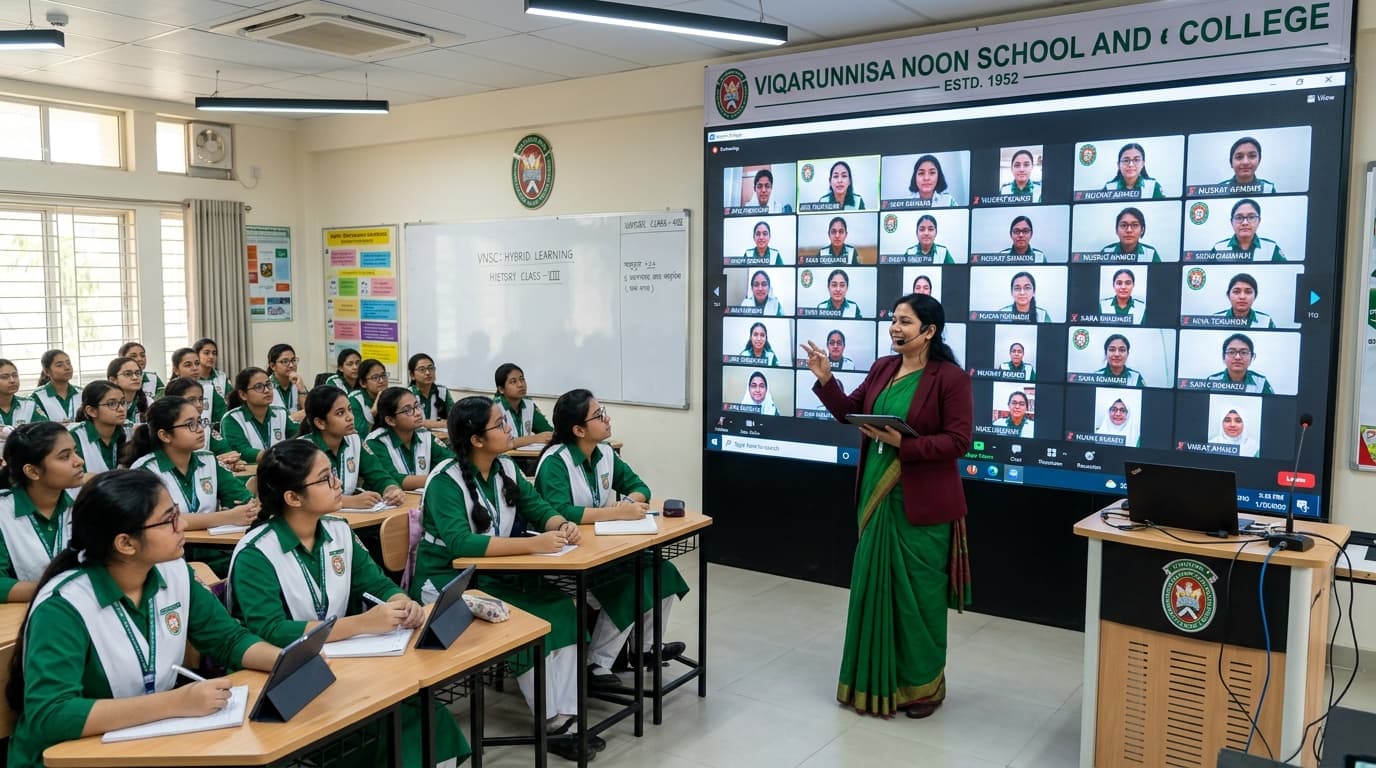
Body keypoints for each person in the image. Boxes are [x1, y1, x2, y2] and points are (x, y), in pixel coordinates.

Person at [5, 470, 279, 767]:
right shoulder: (63, 606)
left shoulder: (173, 572)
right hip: (67, 756)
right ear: (125, 543)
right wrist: (176, 702)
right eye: (169, 520)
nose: (183, 525)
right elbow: (52, 715)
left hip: (143, 739)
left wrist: (286, 661)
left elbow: (228, 640)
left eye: (177, 513)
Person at [227, 440, 469, 768]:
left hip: (339, 661)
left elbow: (376, 583)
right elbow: (270, 630)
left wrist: (402, 601)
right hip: (283, 680)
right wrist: (363, 624)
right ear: (293, 498)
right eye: (325, 478)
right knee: (384, 725)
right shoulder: (256, 553)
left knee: (425, 714)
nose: (338, 482)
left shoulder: (338, 530)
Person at [801, 292, 972, 719]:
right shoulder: (883, 367)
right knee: (873, 590)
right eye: (894, 319)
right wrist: (826, 380)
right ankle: (872, 682)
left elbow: (958, 442)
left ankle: (923, 690)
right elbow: (849, 412)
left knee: (919, 602)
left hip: (923, 506)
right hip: (877, 497)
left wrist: (905, 444)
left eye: (905, 321)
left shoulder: (950, 378)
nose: (895, 327)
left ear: (929, 331)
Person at [413, 396, 597, 762]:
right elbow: (461, 543)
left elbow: (538, 507)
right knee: (524, 622)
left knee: (561, 608)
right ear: (476, 440)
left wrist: (561, 524)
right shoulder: (445, 481)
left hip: (494, 574)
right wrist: (533, 546)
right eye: (499, 424)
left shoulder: (505, 467)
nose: (509, 428)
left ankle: (568, 713)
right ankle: (550, 719)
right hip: (451, 582)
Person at [535, 390, 691, 683]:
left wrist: (628, 503)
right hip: (567, 556)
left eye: (603, 411)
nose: (607, 419)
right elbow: (561, 511)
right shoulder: (555, 462)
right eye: (598, 416)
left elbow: (640, 487)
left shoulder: (605, 452)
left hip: (603, 547)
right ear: (578, 430)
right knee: (628, 585)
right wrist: (616, 513)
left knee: (662, 570)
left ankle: (645, 648)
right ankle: (595, 663)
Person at [124, 397, 258, 534]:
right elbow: (160, 520)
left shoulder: (209, 460)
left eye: (199, 421)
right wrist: (226, 517)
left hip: (212, 545)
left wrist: (243, 510)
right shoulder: (144, 470)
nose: (200, 429)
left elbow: (246, 501)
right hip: (165, 547)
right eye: (190, 424)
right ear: (165, 435)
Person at [0, 422, 82, 602]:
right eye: (65, 457)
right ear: (32, 471)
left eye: (75, 452)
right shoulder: (3, 512)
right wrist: (63, 589)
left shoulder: (85, 503)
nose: (79, 461)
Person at [299, 385, 407, 510]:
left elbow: (378, 474)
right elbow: (305, 496)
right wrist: (350, 501)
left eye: (350, 409)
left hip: (350, 516)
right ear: (320, 423)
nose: (350, 417)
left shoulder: (355, 441)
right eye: (340, 413)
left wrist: (391, 489)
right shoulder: (302, 450)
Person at [365, 387, 453, 491]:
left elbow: (451, 463)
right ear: (390, 420)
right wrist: (438, 479)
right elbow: (392, 479)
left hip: (418, 497)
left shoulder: (425, 436)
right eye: (408, 410)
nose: (418, 413)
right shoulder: (376, 441)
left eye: (417, 406)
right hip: (389, 499)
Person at [162, 376, 243, 471]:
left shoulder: (205, 427)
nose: (199, 405)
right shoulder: (167, 429)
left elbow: (225, 451)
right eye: (191, 400)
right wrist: (215, 462)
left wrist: (230, 461)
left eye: (201, 399)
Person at [220, 367, 299, 464]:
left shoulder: (281, 413)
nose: (267, 390)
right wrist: (280, 455)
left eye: (268, 384)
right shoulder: (231, 419)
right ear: (243, 395)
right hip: (249, 472)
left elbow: (298, 438)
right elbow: (242, 451)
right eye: (259, 387)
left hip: (280, 469)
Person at [69, 381, 128, 475]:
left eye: (123, 402)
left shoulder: (130, 431)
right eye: (112, 404)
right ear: (91, 411)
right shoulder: (74, 437)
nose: (121, 409)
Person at [494, 363, 554, 449]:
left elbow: (548, 432)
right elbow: (498, 443)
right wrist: (535, 438)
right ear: (501, 389)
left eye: (522, 379)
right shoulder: (494, 408)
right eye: (513, 382)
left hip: (524, 455)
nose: (520, 384)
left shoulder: (529, 404)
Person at [1212, 199, 1285, 261]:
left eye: (1251, 217)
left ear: (1259, 221)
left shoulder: (1271, 248)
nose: (1245, 223)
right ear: (1231, 222)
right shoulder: (1219, 248)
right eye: (1239, 218)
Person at [172, 347, 227, 424]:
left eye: (197, 364)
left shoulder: (209, 390)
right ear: (176, 370)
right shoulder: (169, 391)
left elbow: (222, 418)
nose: (195, 368)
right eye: (188, 365)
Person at [1205, 333, 1274, 394]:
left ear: (1252, 357)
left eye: (1243, 352)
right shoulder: (1212, 380)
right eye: (1231, 352)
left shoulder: (1261, 383)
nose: (1237, 357)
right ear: (1223, 357)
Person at [0, 360, 44, 443]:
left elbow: (44, 433)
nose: (12, 380)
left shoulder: (29, 404)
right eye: (5, 377)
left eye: (15, 375)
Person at [1101, 143, 1165, 198]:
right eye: (1126, 160)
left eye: (1136, 160)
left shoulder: (1153, 186)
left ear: (1143, 164)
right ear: (1118, 165)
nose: (1131, 165)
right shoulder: (1109, 188)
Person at [408, 353, 454, 431]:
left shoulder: (442, 391)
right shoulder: (407, 394)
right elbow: (409, 423)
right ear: (412, 375)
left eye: (431, 368)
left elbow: (455, 419)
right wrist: (439, 423)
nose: (428, 373)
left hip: (439, 435)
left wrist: (427, 423)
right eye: (422, 369)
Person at [31, 349, 78, 423]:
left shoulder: (82, 393)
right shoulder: (37, 396)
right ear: (47, 371)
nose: (67, 368)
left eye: (68, 363)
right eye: (59, 365)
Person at [265, 343, 306, 422]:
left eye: (293, 360)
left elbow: (310, 412)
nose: (291, 365)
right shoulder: (266, 387)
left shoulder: (297, 382)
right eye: (285, 361)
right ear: (272, 366)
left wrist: (301, 388)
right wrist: (291, 418)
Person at [348, 359, 390, 435]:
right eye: (375, 377)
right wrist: (372, 415)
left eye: (383, 375)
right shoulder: (354, 400)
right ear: (363, 383)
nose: (381, 380)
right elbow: (360, 434)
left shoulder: (392, 395)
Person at [107, 356, 149, 428]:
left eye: (137, 373)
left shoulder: (149, 402)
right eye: (128, 374)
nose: (135, 377)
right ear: (113, 380)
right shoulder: (105, 404)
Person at [193, 337, 230, 403]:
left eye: (214, 353)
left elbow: (231, 399)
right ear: (196, 355)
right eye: (206, 353)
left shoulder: (222, 376)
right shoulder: (191, 377)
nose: (211, 356)